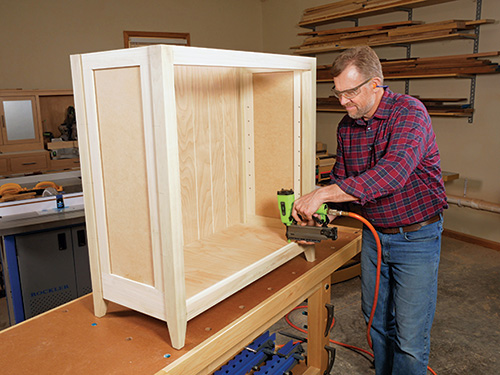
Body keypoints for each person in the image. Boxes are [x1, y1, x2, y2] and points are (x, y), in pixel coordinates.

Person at [292, 45, 447, 375]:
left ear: (376, 84)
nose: (343, 101)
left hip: (416, 237)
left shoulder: (409, 113)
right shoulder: (347, 127)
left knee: (409, 336)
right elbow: (343, 181)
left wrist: (322, 193)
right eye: (338, 93)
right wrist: (324, 213)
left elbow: (392, 174)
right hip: (375, 236)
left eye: (350, 92)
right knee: (376, 320)